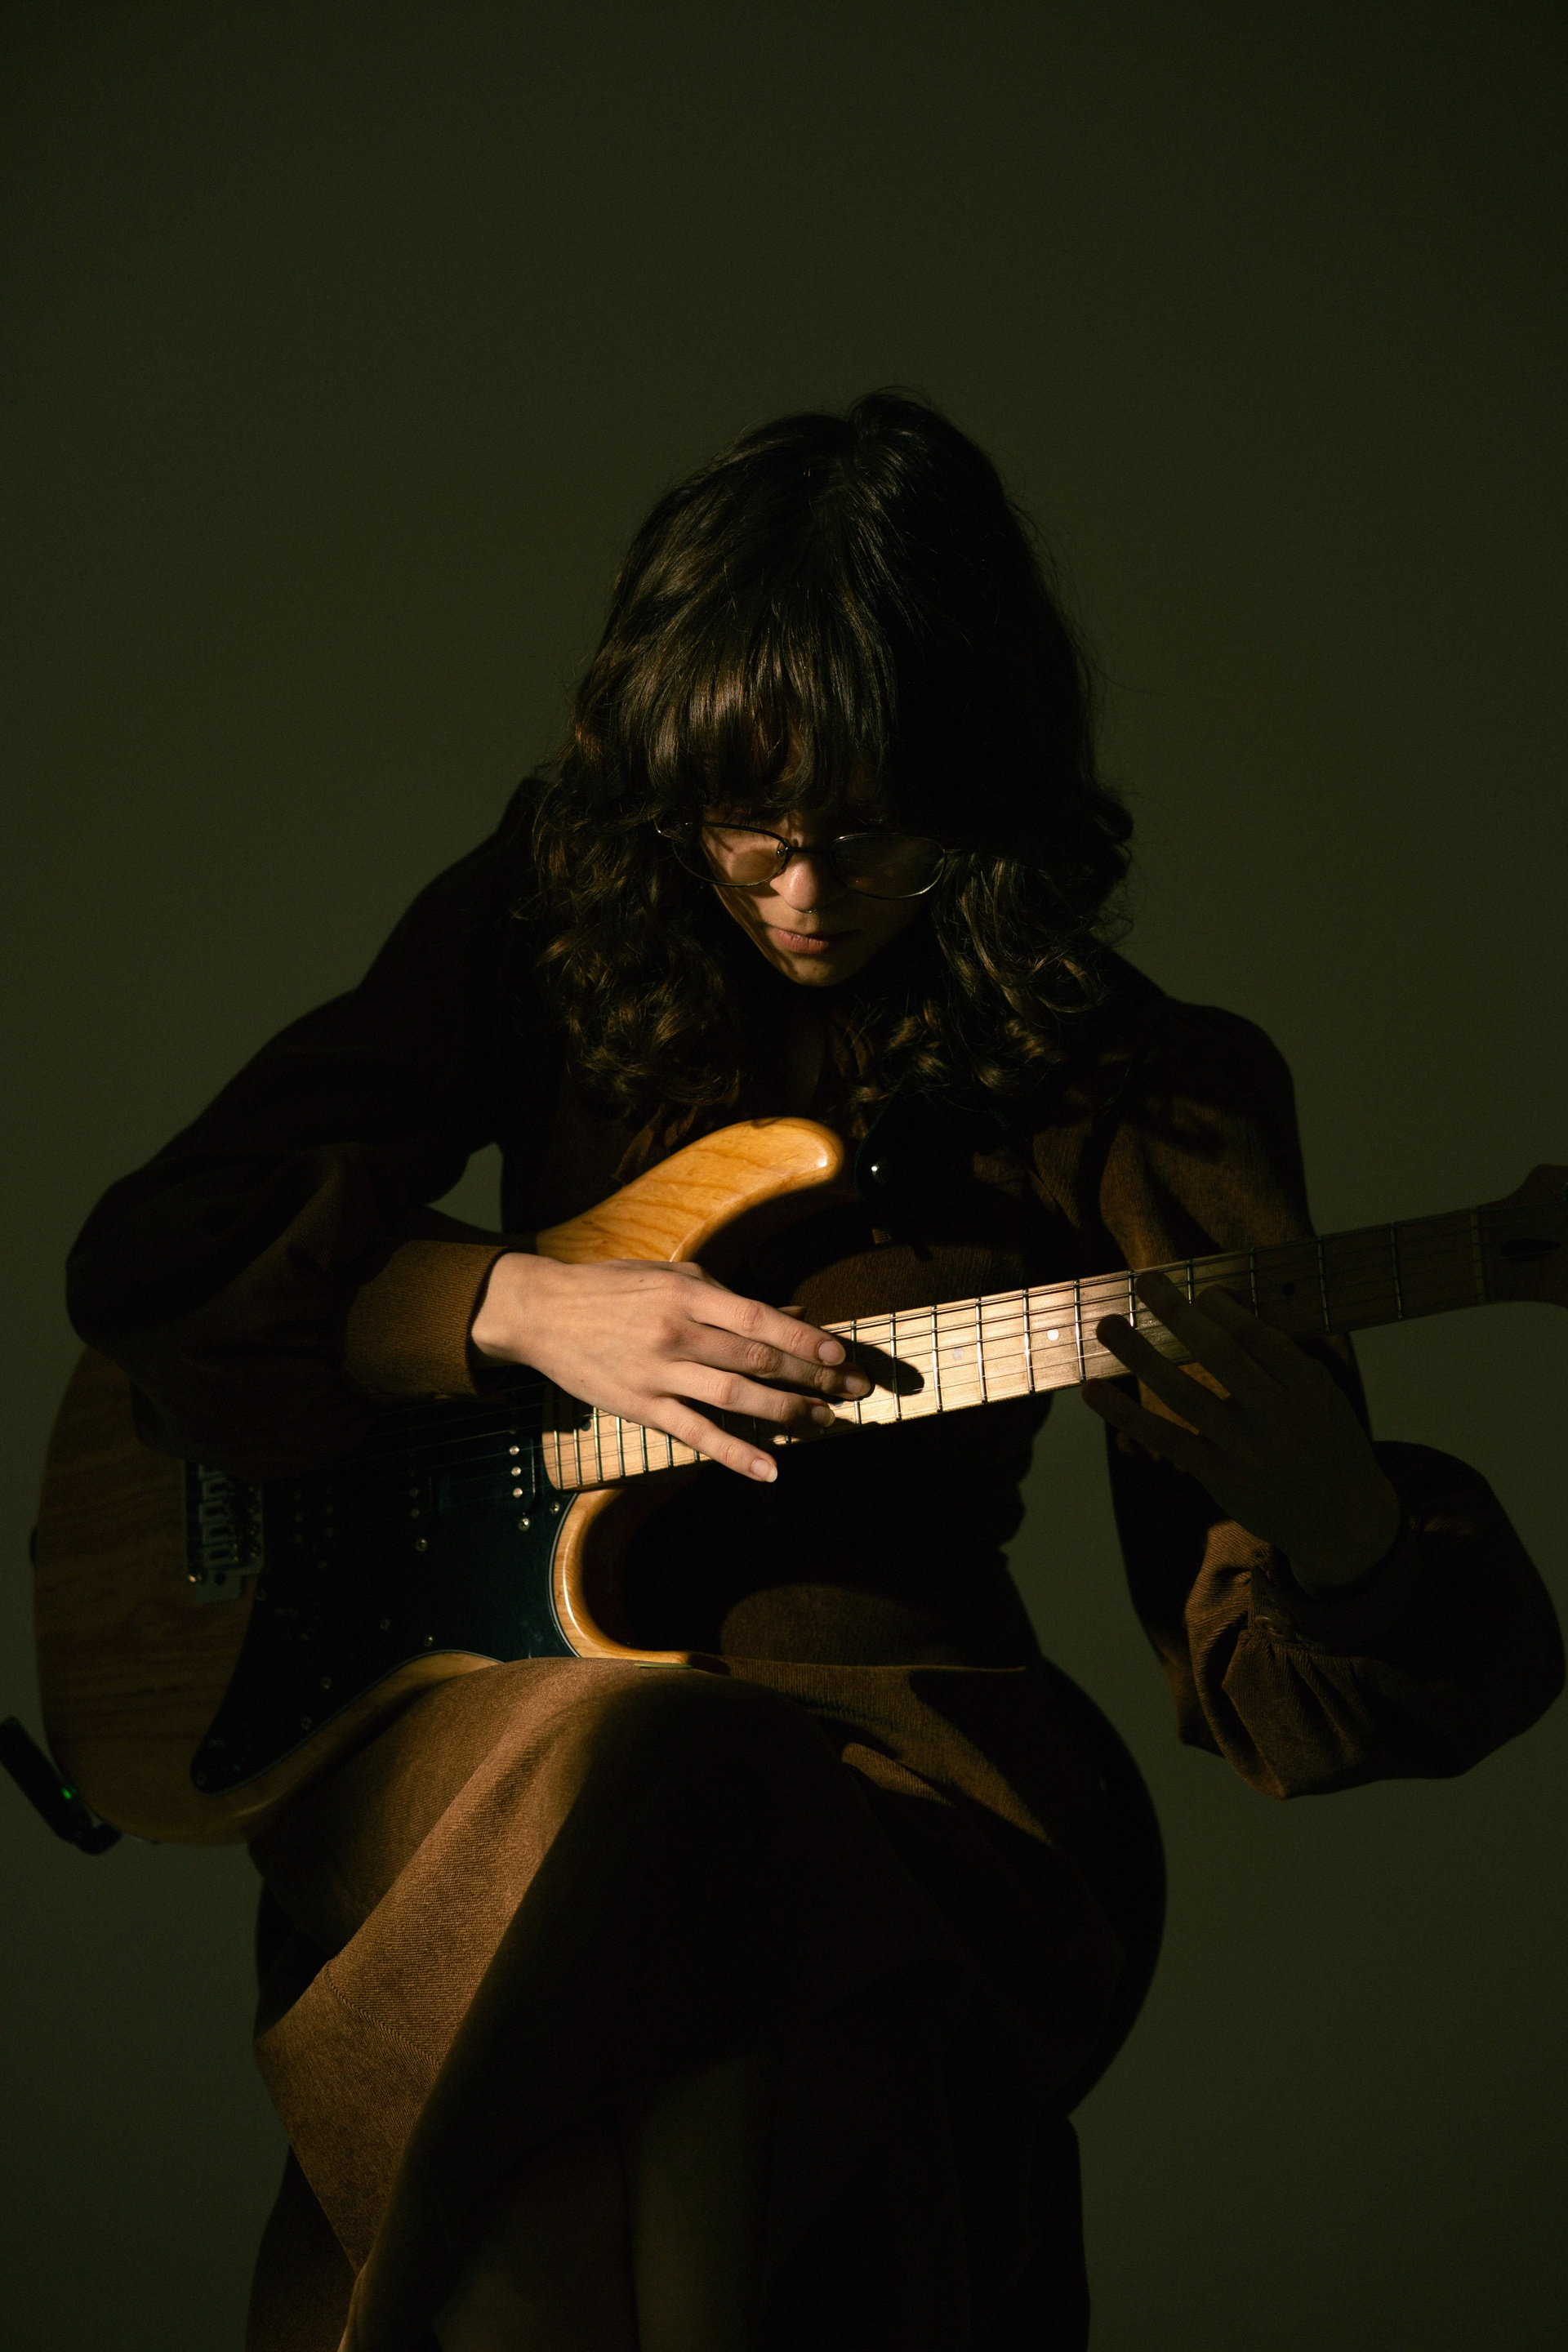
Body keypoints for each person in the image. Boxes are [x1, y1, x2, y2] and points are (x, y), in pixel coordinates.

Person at [65, 393, 1561, 2352]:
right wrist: (502, 1303)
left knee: (670, 1879)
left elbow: (1264, 1686)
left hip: (897, 1772)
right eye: (743, 828)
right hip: (493, 1726)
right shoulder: (545, 920)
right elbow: (159, 1250)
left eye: (869, 837)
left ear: (984, 796)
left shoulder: (1145, 1089)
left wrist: (1341, 1535)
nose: (797, 891)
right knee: (630, 1795)